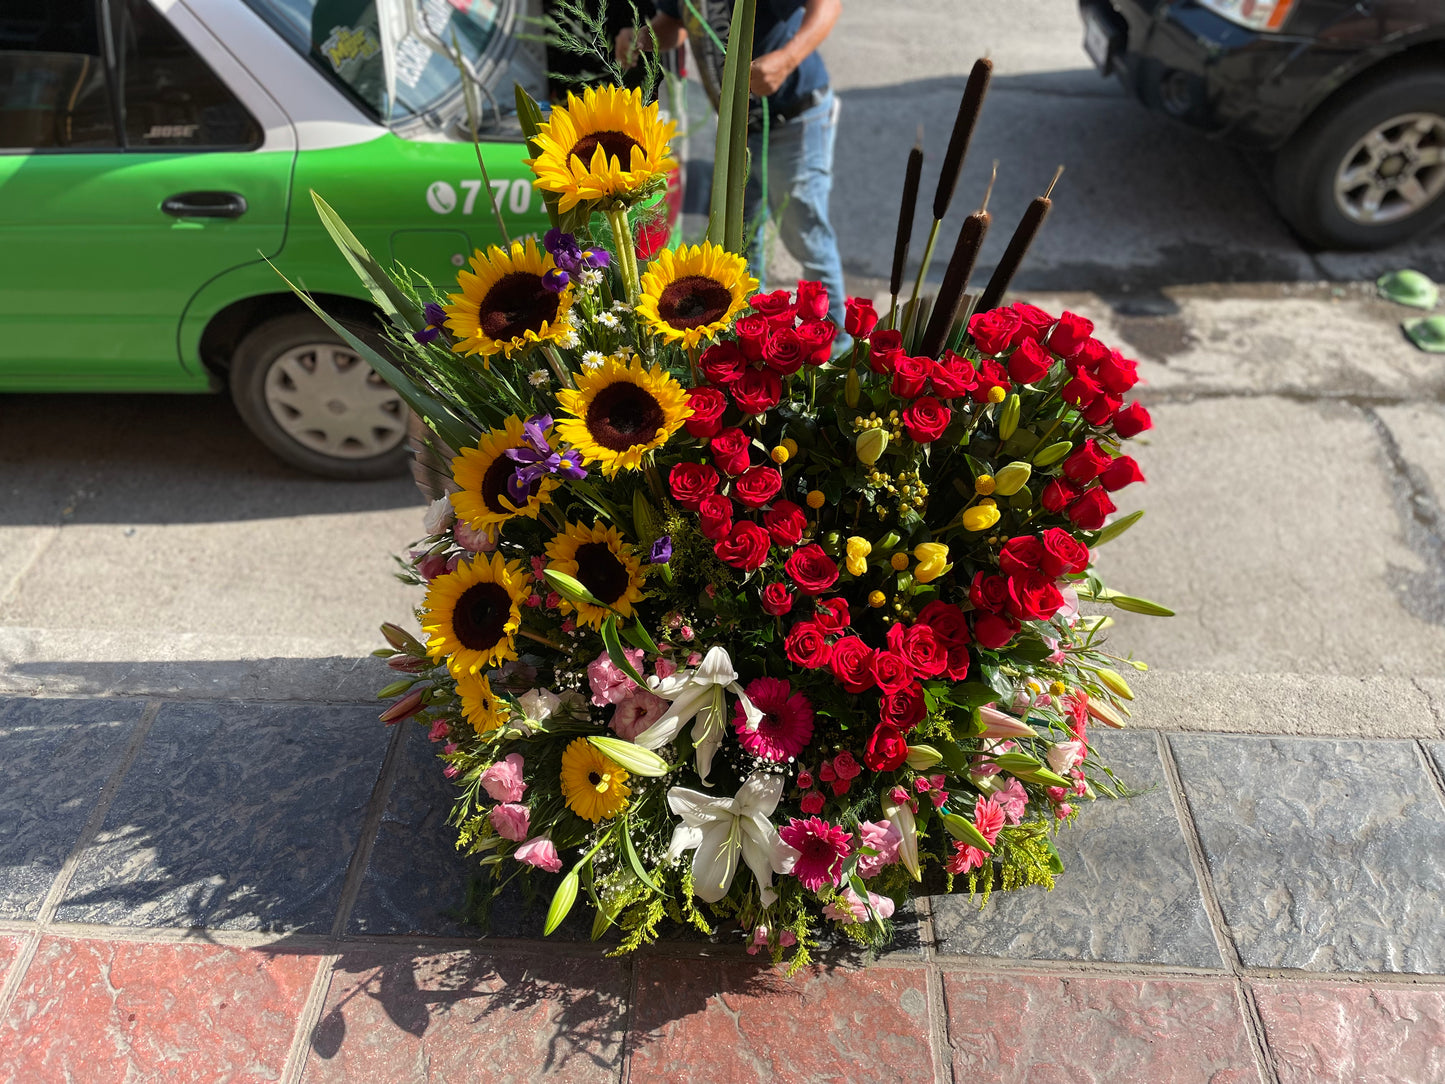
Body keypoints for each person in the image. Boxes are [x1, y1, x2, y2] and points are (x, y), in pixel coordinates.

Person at [616, 0, 852, 355]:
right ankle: (754, 340)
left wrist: (785, 60)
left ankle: (840, 350)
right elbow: (675, 23)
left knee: (805, 236)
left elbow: (828, 6)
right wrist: (644, 37)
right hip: (739, 127)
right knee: (742, 240)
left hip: (794, 119)